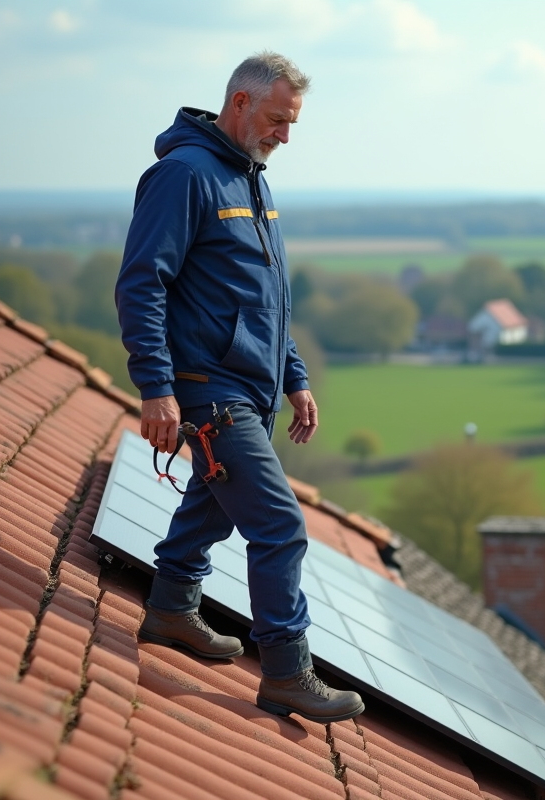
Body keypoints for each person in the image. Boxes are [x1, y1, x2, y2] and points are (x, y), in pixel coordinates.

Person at [115, 52, 364, 723]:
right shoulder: (184, 175)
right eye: (279, 119)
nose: (287, 135)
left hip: (250, 389)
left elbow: (264, 297)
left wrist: (296, 378)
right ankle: (286, 669)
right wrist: (156, 389)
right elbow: (142, 284)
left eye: (292, 122)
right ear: (241, 104)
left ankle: (170, 607)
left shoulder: (250, 179)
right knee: (280, 526)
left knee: (215, 500)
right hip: (208, 389)